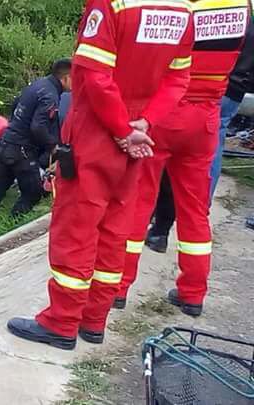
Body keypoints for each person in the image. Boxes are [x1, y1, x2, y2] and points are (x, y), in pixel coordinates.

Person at [6, 0, 194, 350]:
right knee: (114, 228)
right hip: (137, 132)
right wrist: (146, 122)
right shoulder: (182, 9)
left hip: (97, 133)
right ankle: (94, 320)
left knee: (76, 228)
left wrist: (121, 129)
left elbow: (95, 76)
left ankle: (61, 323)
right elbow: (178, 78)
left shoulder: (111, 5)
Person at [115, 1, 251, 315]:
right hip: (206, 118)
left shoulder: (185, 6)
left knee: (139, 201)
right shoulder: (241, 6)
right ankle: (193, 293)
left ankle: (118, 287)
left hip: (165, 111)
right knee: (194, 211)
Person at [144, 21, 254, 250]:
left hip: (195, 91)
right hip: (230, 90)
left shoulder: (199, 11)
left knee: (164, 159)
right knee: (209, 151)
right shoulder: (242, 12)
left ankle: (158, 227)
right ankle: (200, 207)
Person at [0, 59, 72, 225]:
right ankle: (13, 222)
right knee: (33, 193)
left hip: (7, 142)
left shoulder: (37, 85)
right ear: (65, 78)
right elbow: (38, 127)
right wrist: (53, 146)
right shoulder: (50, 95)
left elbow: (15, 106)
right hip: (22, 151)